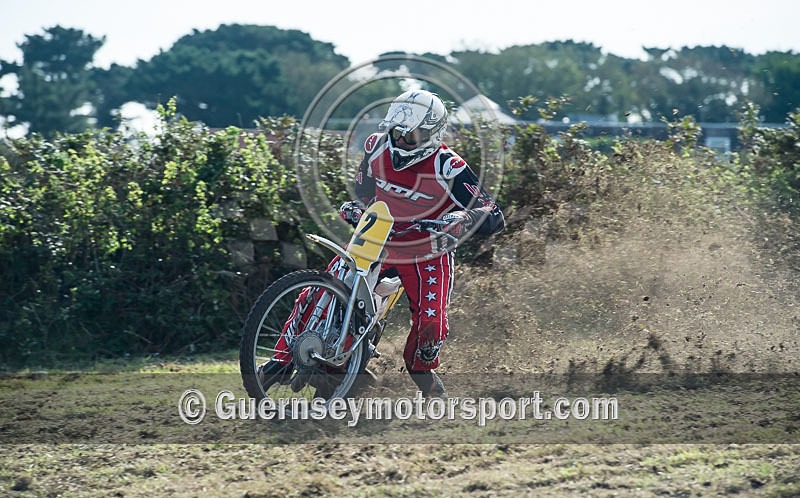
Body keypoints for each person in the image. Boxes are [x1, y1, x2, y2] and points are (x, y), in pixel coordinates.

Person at [337, 89, 505, 397]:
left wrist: (464, 218)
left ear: (431, 133)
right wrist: (358, 207)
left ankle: (423, 376)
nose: (401, 141)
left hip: (428, 249)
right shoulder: (375, 147)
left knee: (431, 324)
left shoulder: (449, 166)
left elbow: (494, 213)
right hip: (377, 238)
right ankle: (284, 358)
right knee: (326, 289)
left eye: (410, 135)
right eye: (396, 132)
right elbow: (364, 192)